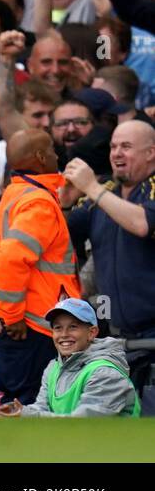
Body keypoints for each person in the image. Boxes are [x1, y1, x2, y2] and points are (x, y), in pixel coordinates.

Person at [0, 128, 79, 406]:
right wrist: (10, 314)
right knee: (35, 410)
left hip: (17, 330)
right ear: (40, 157)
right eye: (51, 148)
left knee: (15, 408)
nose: (55, 153)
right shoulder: (38, 201)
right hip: (38, 328)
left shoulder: (9, 201)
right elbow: (13, 259)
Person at [61, 119, 155, 393]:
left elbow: (142, 224)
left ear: (151, 153)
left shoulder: (105, 192)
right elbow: (61, 239)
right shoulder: (102, 195)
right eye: (113, 147)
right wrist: (65, 205)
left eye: (126, 146)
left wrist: (93, 188)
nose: (116, 153)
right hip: (119, 338)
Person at [0, 298, 141, 418]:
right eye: (58, 328)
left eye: (73, 327)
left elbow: (82, 424)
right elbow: (41, 409)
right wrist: (19, 412)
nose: (64, 334)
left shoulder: (105, 373)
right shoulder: (53, 367)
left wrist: (27, 415)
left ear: (92, 333)